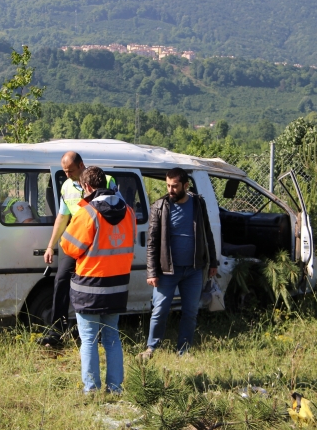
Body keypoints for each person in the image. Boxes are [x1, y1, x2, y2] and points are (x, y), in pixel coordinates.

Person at [60, 166, 136, 393]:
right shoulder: (129, 212)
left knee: (89, 339)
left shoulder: (87, 213)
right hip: (118, 285)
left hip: (90, 287)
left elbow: (69, 247)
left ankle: (91, 389)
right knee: (112, 336)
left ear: (86, 186)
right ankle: (115, 387)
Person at [38, 151, 120, 347]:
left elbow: (118, 208)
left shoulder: (107, 180)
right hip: (76, 240)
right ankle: (57, 330)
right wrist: (51, 245)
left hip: (98, 241)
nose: (67, 175)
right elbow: (62, 216)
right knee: (61, 280)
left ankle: (99, 331)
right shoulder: (66, 186)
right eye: (64, 171)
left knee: (96, 283)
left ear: (82, 165)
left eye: (71, 170)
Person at [140, 167, 218, 359]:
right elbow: (152, 242)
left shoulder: (198, 204)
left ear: (185, 185)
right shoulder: (160, 206)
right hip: (167, 271)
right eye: (168, 185)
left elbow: (208, 233)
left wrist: (213, 262)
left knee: (190, 312)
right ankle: (151, 348)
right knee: (159, 310)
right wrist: (151, 272)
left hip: (193, 270)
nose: (170, 190)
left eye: (174, 186)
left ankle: (184, 351)